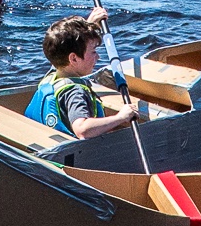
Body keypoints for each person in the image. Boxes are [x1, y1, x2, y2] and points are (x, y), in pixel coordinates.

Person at [24, 9, 138, 139]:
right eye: (93, 52)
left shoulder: (52, 77)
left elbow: (65, 48)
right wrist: (121, 117)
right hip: (72, 153)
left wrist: (88, 27)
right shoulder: (75, 92)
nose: (98, 57)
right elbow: (82, 130)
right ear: (73, 59)